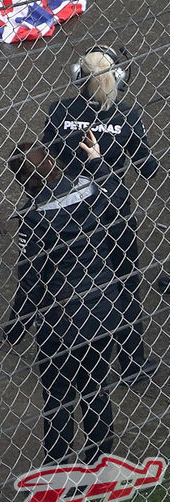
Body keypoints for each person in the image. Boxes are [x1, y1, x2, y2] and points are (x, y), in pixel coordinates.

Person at [4, 133, 135, 469]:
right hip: (104, 309)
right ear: (52, 161)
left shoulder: (32, 218)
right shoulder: (91, 189)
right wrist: (98, 161)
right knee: (95, 389)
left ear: (22, 181)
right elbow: (120, 203)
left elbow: (31, 279)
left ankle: (59, 470)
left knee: (58, 398)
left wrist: (14, 328)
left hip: (61, 322)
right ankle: (100, 463)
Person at [42, 46, 159, 385]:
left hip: (66, 209)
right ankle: (131, 361)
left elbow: (47, 156)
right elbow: (149, 169)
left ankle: (59, 339)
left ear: (78, 77)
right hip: (112, 209)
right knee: (125, 281)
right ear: (118, 80)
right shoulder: (128, 117)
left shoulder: (58, 110)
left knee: (61, 271)